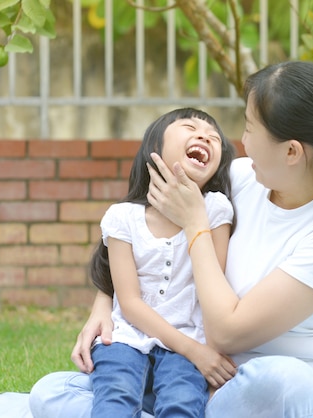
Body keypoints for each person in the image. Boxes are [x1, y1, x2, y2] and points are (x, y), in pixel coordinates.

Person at [29, 61, 313, 418]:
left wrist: (196, 227)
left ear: (291, 152)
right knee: (51, 394)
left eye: (249, 128)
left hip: (284, 394)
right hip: (197, 375)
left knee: (278, 380)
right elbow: (141, 220)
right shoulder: (244, 178)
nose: (239, 141)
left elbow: (226, 330)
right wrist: (105, 302)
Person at [84, 107, 237, 418]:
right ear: (154, 149)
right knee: (115, 398)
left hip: (191, 338)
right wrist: (197, 353)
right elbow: (129, 303)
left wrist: (194, 351)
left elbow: (213, 284)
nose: (204, 136)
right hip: (127, 337)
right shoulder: (122, 218)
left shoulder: (216, 210)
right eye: (189, 127)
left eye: (214, 137)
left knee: (182, 403)